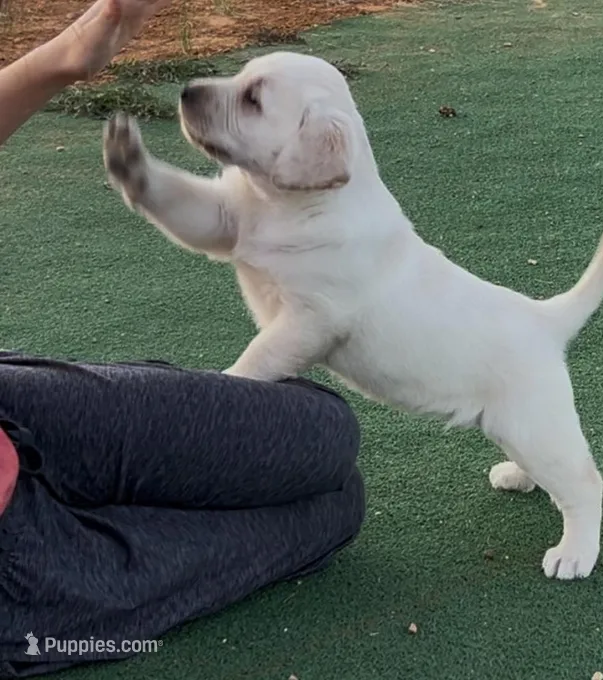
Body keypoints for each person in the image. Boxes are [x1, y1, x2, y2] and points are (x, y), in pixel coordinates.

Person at [0, 2, 366, 677]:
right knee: (334, 502)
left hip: (11, 404)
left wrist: (64, 56)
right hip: (15, 574)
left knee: (325, 434)